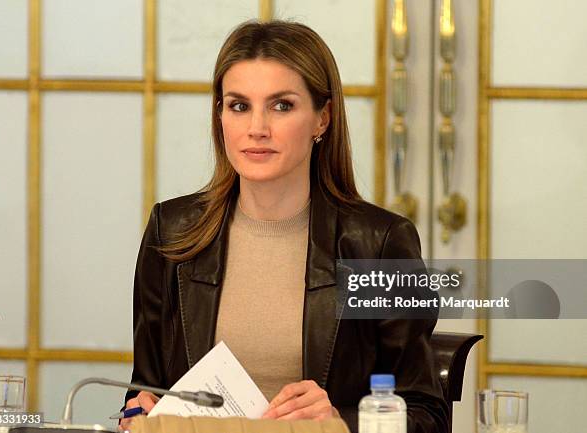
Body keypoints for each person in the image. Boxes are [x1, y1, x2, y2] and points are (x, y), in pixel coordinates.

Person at [122, 20, 449, 433]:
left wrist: (338, 422)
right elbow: (141, 395)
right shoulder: (172, 231)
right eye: (239, 106)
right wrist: (139, 414)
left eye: (282, 106)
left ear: (322, 119)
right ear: (219, 115)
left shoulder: (378, 244)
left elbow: (427, 418)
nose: (256, 128)